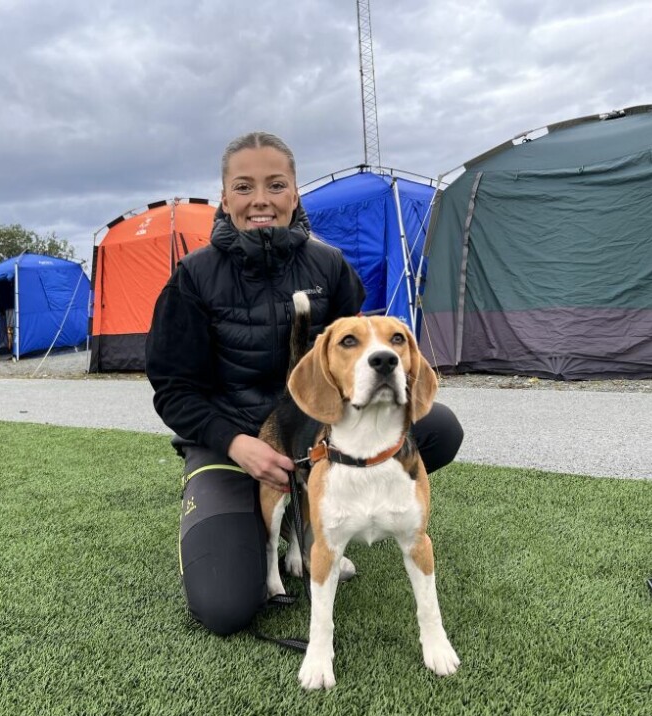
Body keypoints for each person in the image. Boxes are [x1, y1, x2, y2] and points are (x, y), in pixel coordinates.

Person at [145, 131, 464, 637]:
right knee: (226, 606)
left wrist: (326, 436)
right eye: (244, 187)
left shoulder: (329, 265)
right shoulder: (192, 276)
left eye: (276, 185)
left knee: (439, 427)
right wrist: (237, 443)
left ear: (295, 194)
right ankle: (274, 517)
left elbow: (360, 358)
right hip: (232, 443)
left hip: (316, 432)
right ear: (225, 198)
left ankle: (334, 511)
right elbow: (173, 390)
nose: (261, 201)